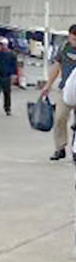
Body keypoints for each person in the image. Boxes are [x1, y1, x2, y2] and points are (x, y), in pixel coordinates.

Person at [41, 23, 76, 161]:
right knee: (59, 118)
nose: (72, 42)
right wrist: (48, 85)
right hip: (64, 90)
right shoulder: (65, 48)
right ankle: (60, 147)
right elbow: (57, 66)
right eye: (71, 38)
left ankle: (75, 150)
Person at [0, 37, 17, 116]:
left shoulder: (12, 54)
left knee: (7, 94)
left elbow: (14, 66)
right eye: (1, 45)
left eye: (3, 45)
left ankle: (7, 109)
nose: (2, 46)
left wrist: (13, 75)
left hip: (7, 76)